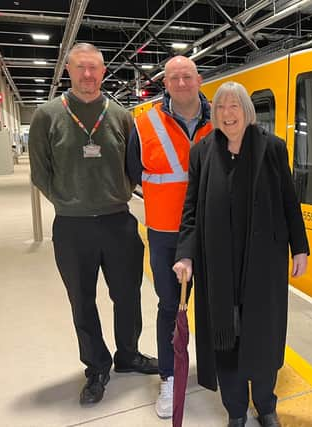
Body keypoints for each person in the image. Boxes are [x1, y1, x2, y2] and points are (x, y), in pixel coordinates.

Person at [172, 82, 309, 427]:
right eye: (220, 107)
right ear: (214, 114)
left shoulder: (273, 148)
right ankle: (235, 410)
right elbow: (190, 210)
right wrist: (186, 254)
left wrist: (300, 248)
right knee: (225, 338)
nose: (227, 113)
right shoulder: (202, 151)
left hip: (264, 264)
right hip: (218, 267)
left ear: (247, 111)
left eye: (234, 106)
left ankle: (265, 406)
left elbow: (289, 202)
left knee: (263, 337)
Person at [28, 43, 157, 406]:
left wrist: (115, 194)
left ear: (103, 72)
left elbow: (134, 168)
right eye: (81, 67)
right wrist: (70, 202)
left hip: (119, 222)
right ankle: (97, 366)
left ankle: (128, 354)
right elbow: (41, 172)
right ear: (68, 69)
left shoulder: (120, 115)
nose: (88, 74)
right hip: (72, 228)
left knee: (128, 296)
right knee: (82, 302)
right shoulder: (47, 115)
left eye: (94, 68)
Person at [127, 55, 212, 418]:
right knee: (169, 308)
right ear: (166, 83)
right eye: (173, 77)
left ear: (199, 79)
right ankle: (169, 378)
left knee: (214, 306)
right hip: (166, 234)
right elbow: (133, 172)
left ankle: (213, 371)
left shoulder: (220, 119)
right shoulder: (144, 124)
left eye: (187, 76)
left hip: (211, 231)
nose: (181, 83)